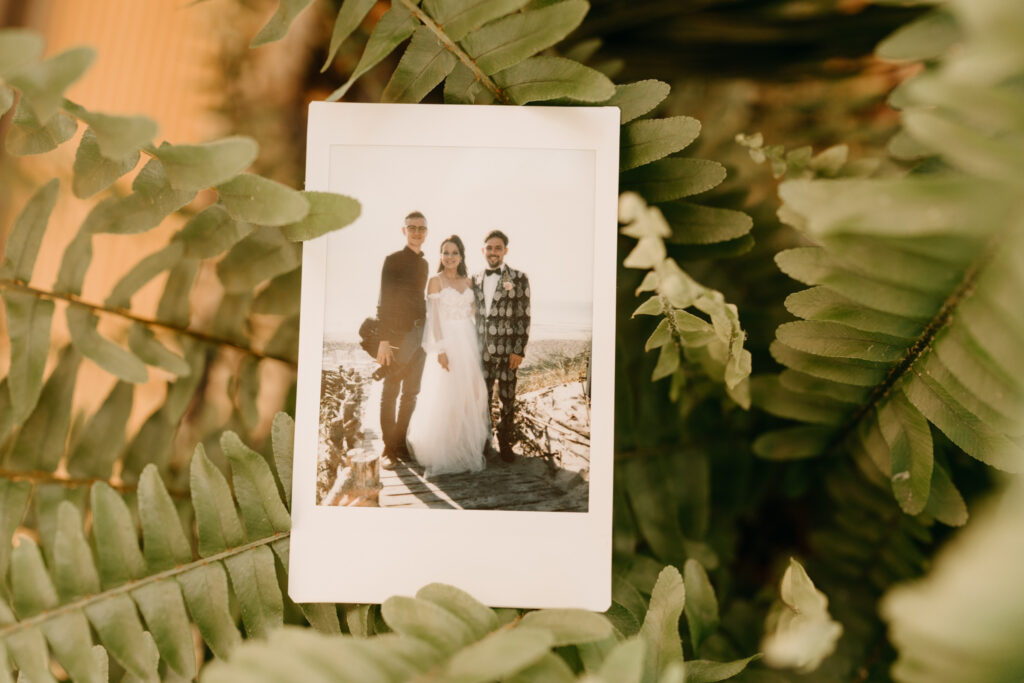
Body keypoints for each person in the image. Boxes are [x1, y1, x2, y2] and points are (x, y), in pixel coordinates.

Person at [406, 236, 489, 477]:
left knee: (470, 392)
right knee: (447, 393)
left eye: (454, 252)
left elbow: (475, 313)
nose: (449, 257)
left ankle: (464, 445)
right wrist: (440, 350)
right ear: (440, 255)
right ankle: (445, 450)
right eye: (445, 252)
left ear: (461, 256)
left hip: (468, 340)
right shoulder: (436, 281)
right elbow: (434, 318)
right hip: (447, 340)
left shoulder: (469, 282)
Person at [377, 211, 429, 469]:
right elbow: (384, 300)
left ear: (426, 232)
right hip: (399, 335)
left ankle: (399, 444)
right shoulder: (393, 260)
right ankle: (388, 448)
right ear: (404, 231)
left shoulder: (424, 264)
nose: (417, 232)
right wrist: (384, 340)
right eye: (412, 227)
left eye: (421, 228)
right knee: (391, 390)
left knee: (411, 393)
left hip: (421, 334)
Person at [472, 230, 531, 462]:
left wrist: (519, 349)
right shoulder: (475, 279)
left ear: (505, 250)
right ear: (483, 250)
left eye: (498, 248)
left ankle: (505, 442)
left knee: (508, 399)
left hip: (508, 352)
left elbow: (523, 316)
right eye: (489, 248)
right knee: (482, 398)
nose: (493, 252)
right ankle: (484, 441)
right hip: (482, 351)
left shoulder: (519, 278)